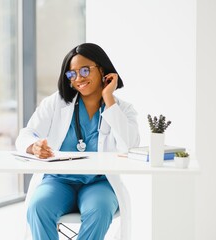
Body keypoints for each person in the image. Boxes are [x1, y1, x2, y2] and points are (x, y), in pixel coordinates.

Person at [15, 43, 140, 240]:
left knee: (99, 210)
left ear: (103, 70)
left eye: (84, 70)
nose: (78, 78)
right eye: (72, 74)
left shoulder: (123, 110)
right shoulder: (55, 103)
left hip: (99, 182)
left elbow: (130, 146)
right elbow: (26, 134)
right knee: (38, 206)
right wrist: (34, 146)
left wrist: (108, 99)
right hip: (58, 180)